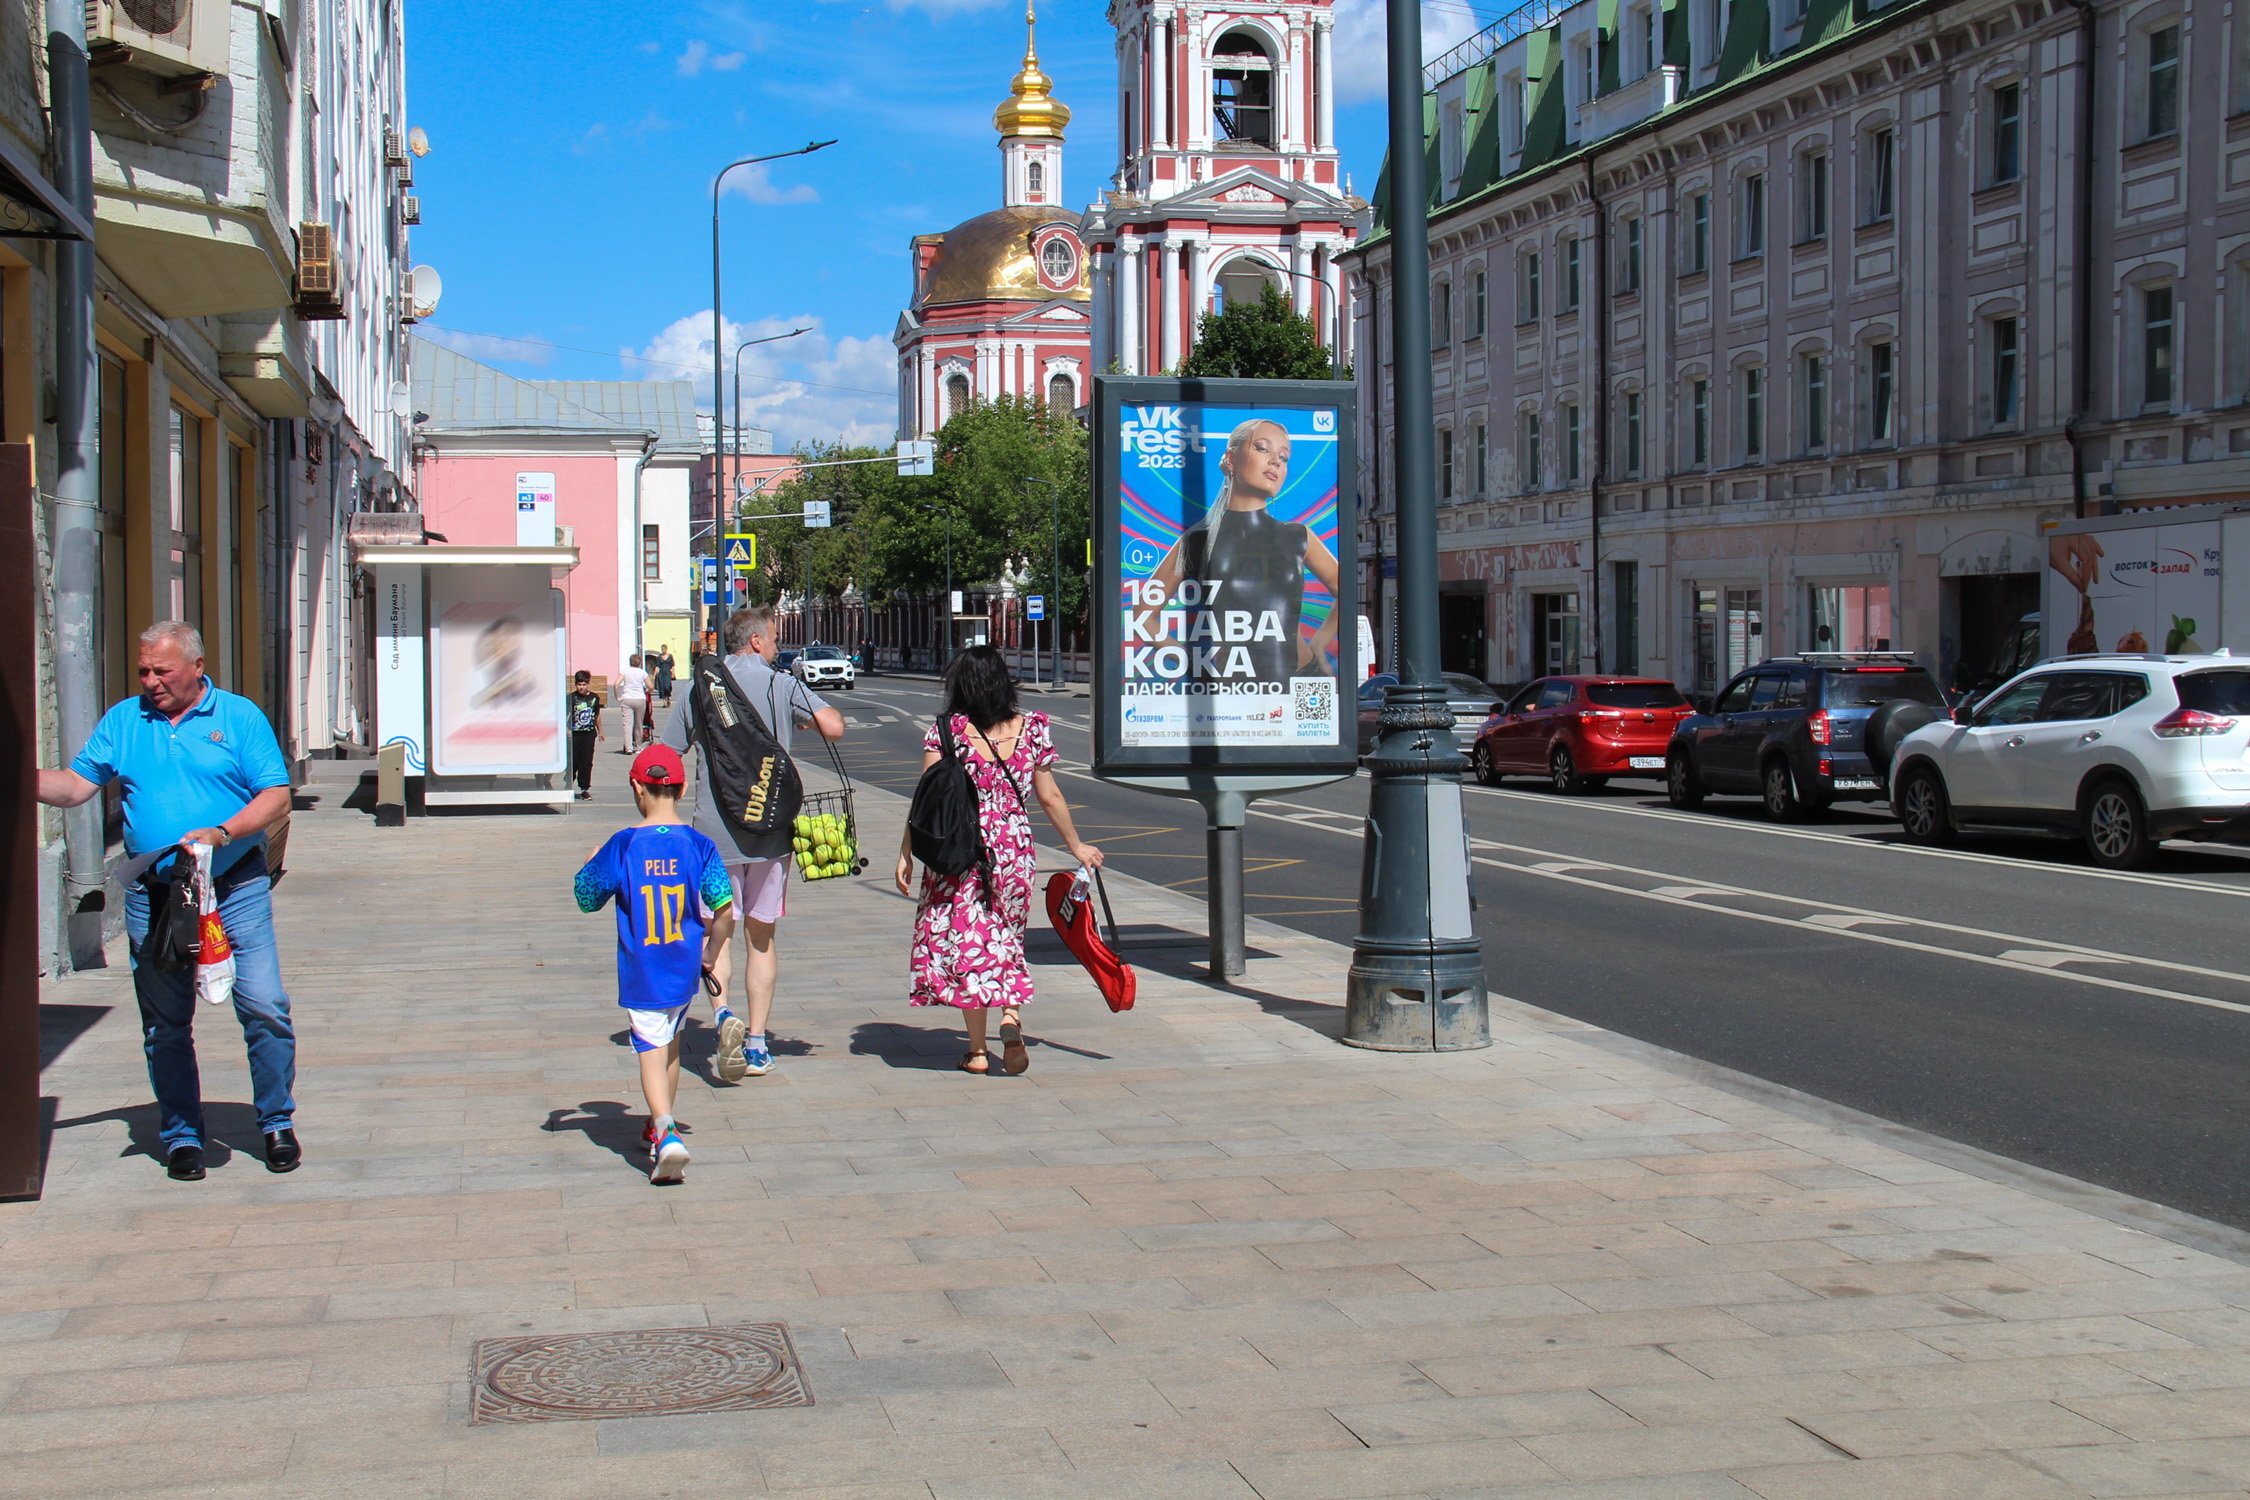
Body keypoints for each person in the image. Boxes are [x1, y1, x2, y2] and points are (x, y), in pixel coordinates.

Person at [33, 622, 299, 1181]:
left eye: (162, 671)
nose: (151, 681)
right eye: (143, 671)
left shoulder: (239, 717)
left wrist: (221, 833)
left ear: (197, 667)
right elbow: (75, 788)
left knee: (265, 1006)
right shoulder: (125, 722)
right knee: (165, 1023)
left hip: (233, 890)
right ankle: (181, 1135)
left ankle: (275, 1121)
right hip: (155, 900)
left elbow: (275, 794)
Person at [894, 646, 1102, 1076]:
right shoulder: (1032, 729)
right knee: (1006, 935)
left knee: (972, 944)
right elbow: (1049, 796)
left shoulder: (946, 733)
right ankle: (1011, 1017)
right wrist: (1076, 846)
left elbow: (926, 801)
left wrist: (905, 854)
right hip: (1013, 849)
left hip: (960, 851)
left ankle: (976, 1051)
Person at [661, 606, 845, 1080]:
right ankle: (759, 1044)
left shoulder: (699, 688)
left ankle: (724, 1016)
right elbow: (834, 726)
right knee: (760, 939)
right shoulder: (780, 684)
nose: (779, 646)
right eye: (776, 637)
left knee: (716, 935)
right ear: (759, 642)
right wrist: (797, 721)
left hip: (713, 833)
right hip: (770, 833)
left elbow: (666, 754)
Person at [573, 746, 736, 1184]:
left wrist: (591, 861)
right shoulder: (700, 846)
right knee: (672, 1041)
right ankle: (658, 1117)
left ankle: (666, 1133)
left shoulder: (623, 844)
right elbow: (724, 908)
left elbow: (586, 897)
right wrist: (711, 951)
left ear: (635, 787)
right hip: (683, 966)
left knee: (648, 1045)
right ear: (682, 788)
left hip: (642, 967)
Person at [1134, 418, 1343, 682]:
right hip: (1234, 691)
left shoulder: (1298, 535)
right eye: (1262, 448)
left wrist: (1319, 643)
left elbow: (1345, 589)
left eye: (1284, 456)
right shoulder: (1198, 539)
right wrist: (1194, 665)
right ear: (1231, 458)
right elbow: (1143, 615)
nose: (1276, 461)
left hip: (1303, 681)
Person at [567, 670, 604, 801]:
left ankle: (584, 789)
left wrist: (601, 732)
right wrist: (567, 729)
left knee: (586, 762)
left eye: (583, 684)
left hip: (588, 734)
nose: (581, 687)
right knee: (573, 761)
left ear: (588, 684)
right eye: (579, 684)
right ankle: (567, 785)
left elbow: (597, 716)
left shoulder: (594, 698)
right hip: (575, 734)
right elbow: (566, 716)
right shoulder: (571, 698)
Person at [616, 653, 654, 750]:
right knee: (638, 723)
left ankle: (628, 747)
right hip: (640, 699)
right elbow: (651, 686)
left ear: (630, 662)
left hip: (627, 698)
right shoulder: (642, 672)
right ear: (640, 662)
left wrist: (617, 697)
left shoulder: (625, 672)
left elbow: (616, 684)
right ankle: (638, 745)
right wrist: (647, 692)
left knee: (627, 724)